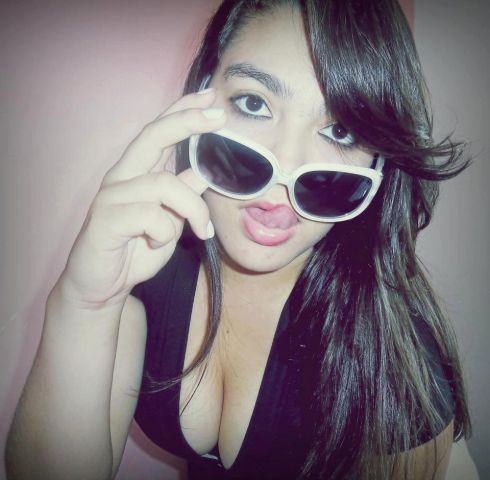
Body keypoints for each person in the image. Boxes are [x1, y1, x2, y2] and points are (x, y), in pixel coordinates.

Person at [5, 0, 477, 479]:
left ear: (378, 159)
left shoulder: (395, 358)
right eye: (254, 104)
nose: (285, 167)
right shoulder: (147, 260)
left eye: (340, 129)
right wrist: (86, 304)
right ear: (203, 95)